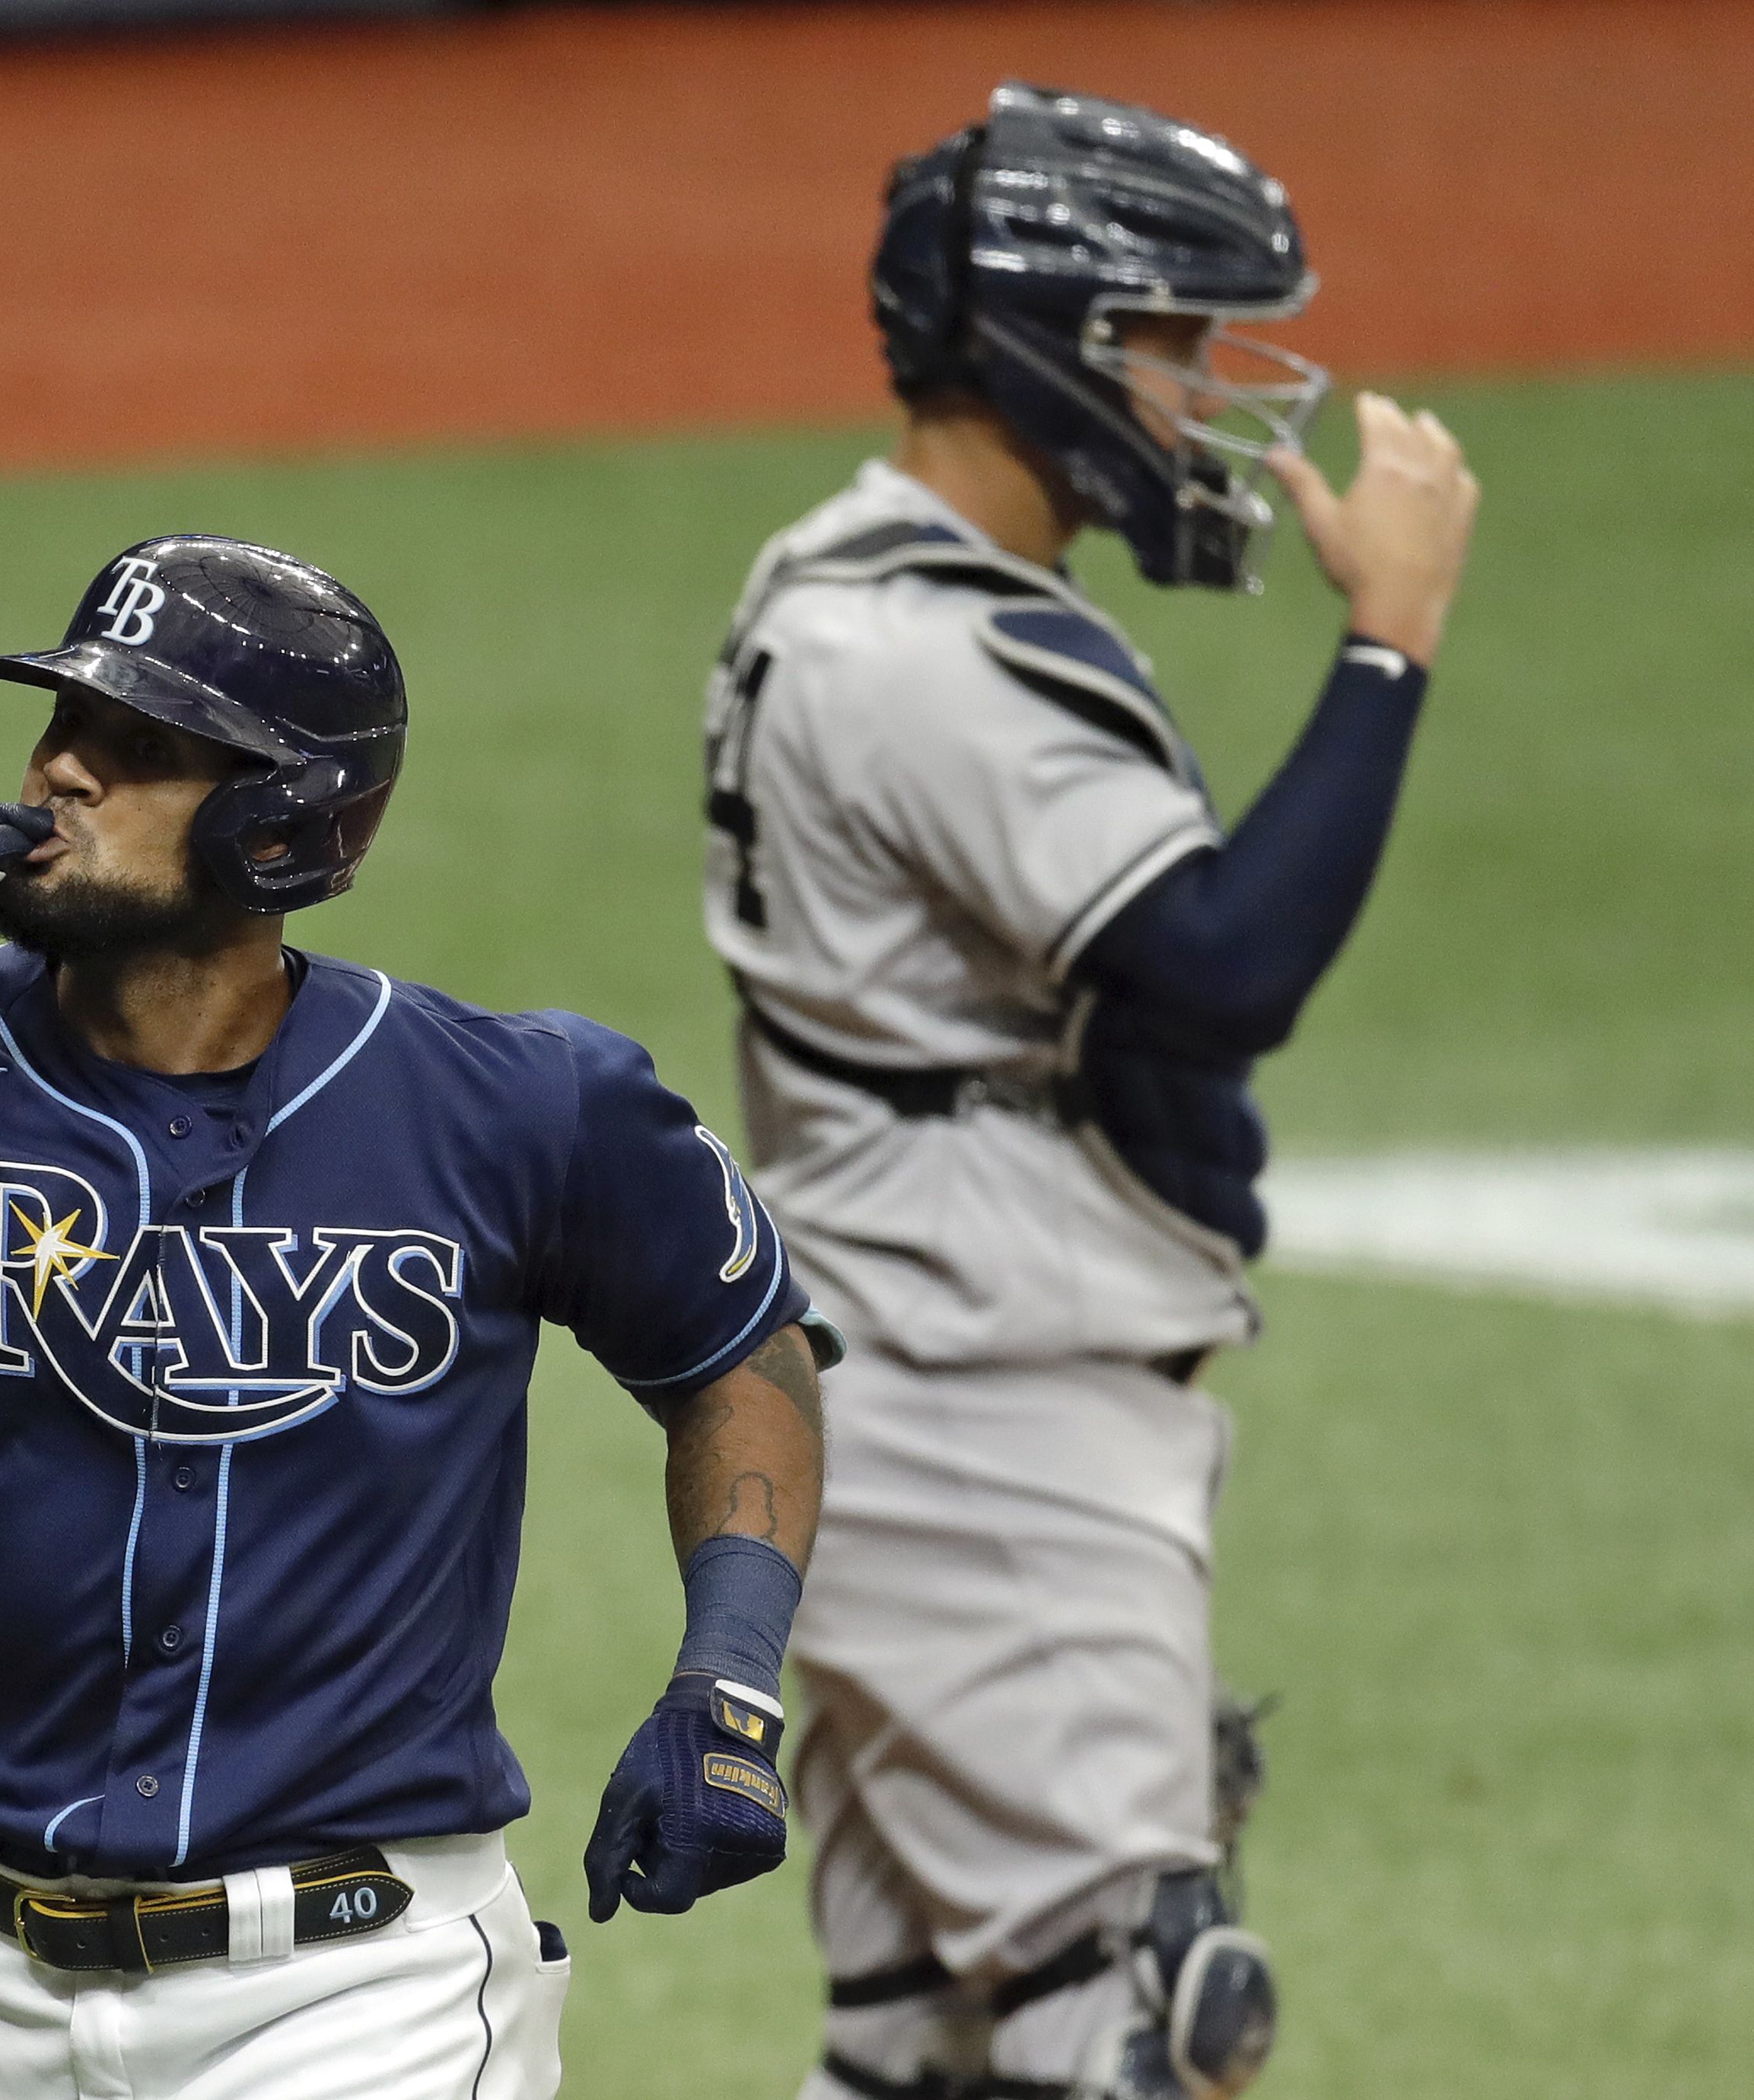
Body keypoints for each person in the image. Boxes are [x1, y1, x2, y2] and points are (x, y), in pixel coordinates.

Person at [0, 534, 841, 2095]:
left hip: (357, 1999)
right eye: (63, 725)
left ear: (282, 822)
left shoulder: (516, 1104)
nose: (59, 771)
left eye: (139, 752)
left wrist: (725, 1682)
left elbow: (740, 1351)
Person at [692, 83, 1480, 2100]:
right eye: (1171, 344)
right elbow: (1221, 968)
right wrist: (1389, 646)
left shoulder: (834, 583)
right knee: (1140, 2022)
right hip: (987, 1422)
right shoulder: (920, 652)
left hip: (902, 1385)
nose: (1202, 395)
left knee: (925, 2050)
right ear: (1049, 335)